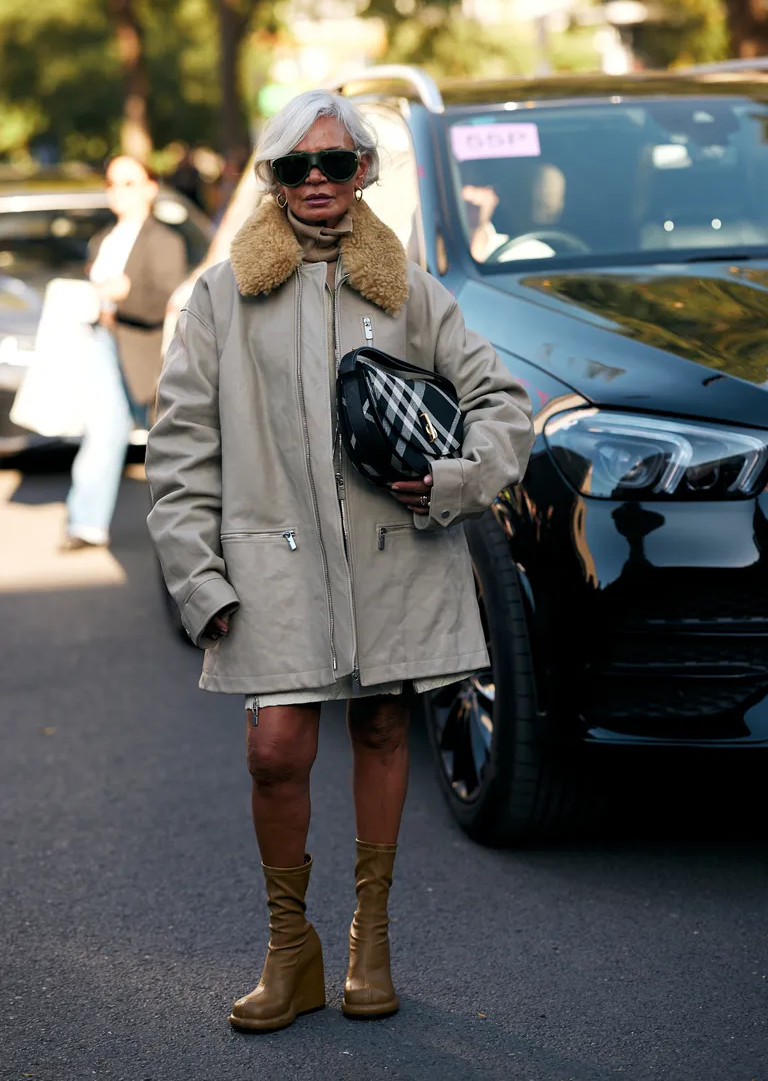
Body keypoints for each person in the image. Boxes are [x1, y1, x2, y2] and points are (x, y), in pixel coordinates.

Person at [145, 90, 534, 1032]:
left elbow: (502, 403)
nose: (317, 180)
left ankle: (371, 937)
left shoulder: (408, 286)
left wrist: (455, 479)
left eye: (336, 162)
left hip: (394, 555)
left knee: (381, 732)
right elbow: (179, 447)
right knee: (275, 751)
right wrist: (199, 578)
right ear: (273, 181)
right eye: (295, 166)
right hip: (267, 563)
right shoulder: (222, 294)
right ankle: (291, 945)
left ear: (364, 171)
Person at [62, 156, 187, 550]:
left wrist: (124, 294)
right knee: (102, 433)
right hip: (102, 343)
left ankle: (184, 524)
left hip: (146, 351)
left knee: (168, 443)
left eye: (129, 183)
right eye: (113, 183)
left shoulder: (165, 240)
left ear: (151, 187)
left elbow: (163, 300)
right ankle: (86, 524)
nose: (118, 191)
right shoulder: (102, 239)